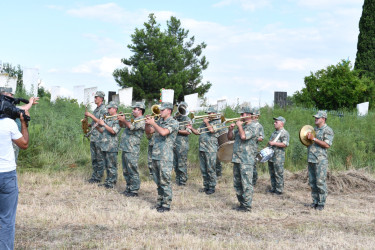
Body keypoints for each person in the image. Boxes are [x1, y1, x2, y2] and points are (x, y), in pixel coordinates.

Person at [0, 102, 29, 249]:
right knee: (6, 219)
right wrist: (24, 124)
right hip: (6, 174)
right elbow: (24, 144)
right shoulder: (9, 124)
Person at [145, 102, 178, 212]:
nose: (160, 112)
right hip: (156, 154)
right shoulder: (159, 121)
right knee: (158, 180)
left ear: (169, 111)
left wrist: (153, 123)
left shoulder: (173, 122)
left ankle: (166, 204)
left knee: (165, 180)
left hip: (165, 156)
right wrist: (147, 123)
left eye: (162, 110)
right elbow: (149, 132)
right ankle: (160, 202)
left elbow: (164, 132)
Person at [227, 106, 257, 212]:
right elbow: (230, 137)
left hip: (247, 160)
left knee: (246, 183)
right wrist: (230, 129)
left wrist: (239, 126)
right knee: (237, 182)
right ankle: (241, 203)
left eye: (242, 114)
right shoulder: (242, 126)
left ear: (249, 115)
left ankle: (247, 206)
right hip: (237, 158)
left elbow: (244, 137)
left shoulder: (254, 126)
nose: (240, 116)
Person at [186, 106, 221, 195]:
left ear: (215, 114)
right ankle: (206, 186)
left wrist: (207, 123)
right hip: (202, 148)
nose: (208, 115)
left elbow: (212, 131)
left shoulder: (218, 122)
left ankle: (212, 186)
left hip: (211, 149)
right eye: (208, 113)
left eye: (210, 113)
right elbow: (198, 132)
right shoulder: (204, 123)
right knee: (203, 169)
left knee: (211, 169)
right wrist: (191, 128)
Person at [0, 87, 39, 162]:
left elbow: (22, 108)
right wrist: (30, 102)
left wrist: (30, 102)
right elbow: (24, 109)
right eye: (9, 94)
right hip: (12, 140)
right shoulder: (6, 109)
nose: (12, 96)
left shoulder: (10, 108)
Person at [306, 111, 334, 211]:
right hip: (311, 159)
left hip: (320, 160)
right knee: (312, 182)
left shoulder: (328, 130)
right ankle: (315, 202)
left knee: (320, 182)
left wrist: (314, 139)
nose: (315, 119)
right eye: (315, 117)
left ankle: (321, 203)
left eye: (318, 118)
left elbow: (327, 145)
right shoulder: (314, 130)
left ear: (323, 118)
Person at [118, 102, 145, 196]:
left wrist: (124, 120)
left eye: (135, 109)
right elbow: (123, 126)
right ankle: (128, 188)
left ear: (140, 110)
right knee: (126, 170)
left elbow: (131, 126)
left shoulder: (142, 120)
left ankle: (134, 190)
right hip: (126, 147)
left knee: (132, 169)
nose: (133, 110)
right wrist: (121, 120)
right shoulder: (133, 119)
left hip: (132, 148)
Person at [96, 101, 121, 189]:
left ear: (115, 109)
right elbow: (103, 131)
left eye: (109, 108)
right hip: (105, 145)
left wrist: (104, 124)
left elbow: (114, 131)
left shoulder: (117, 119)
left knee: (111, 166)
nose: (108, 110)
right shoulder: (108, 119)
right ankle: (108, 181)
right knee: (106, 165)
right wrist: (97, 127)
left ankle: (112, 183)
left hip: (112, 146)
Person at [85, 91, 107, 184]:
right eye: (95, 97)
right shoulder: (96, 109)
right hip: (94, 136)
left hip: (100, 137)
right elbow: (96, 122)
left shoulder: (104, 109)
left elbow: (101, 122)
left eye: (96, 97)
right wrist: (89, 124)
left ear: (101, 99)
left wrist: (90, 115)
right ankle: (94, 176)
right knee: (94, 158)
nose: (95, 99)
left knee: (99, 158)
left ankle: (98, 177)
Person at [267, 116, 289, 195]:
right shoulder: (274, 132)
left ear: (282, 123)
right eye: (275, 122)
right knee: (272, 172)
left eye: (276, 122)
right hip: (271, 156)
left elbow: (285, 144)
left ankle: (279, 190)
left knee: (278, 173)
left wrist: (274, 143)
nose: (274, 123)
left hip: (278, 157)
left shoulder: (284, 133)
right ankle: (273, 188)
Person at [173, 102, 191, 186]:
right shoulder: (175, 118)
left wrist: (177, 130)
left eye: (183, 108)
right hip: (173, 144)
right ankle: (177, 179)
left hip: (182, 145)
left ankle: (183, 181)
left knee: (182, 163)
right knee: (175, 163)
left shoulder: (187, 119)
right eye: (180, 107)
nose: (181, 109)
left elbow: (188, 131)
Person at [252, 108, 264, 186]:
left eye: (253, 115)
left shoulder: (259, 126)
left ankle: (254, 181)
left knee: (253, 165)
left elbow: (261, 138)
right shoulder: (246, 124)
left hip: (253, 149)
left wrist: (254, 137)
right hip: (245, 149)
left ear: (256, 116)